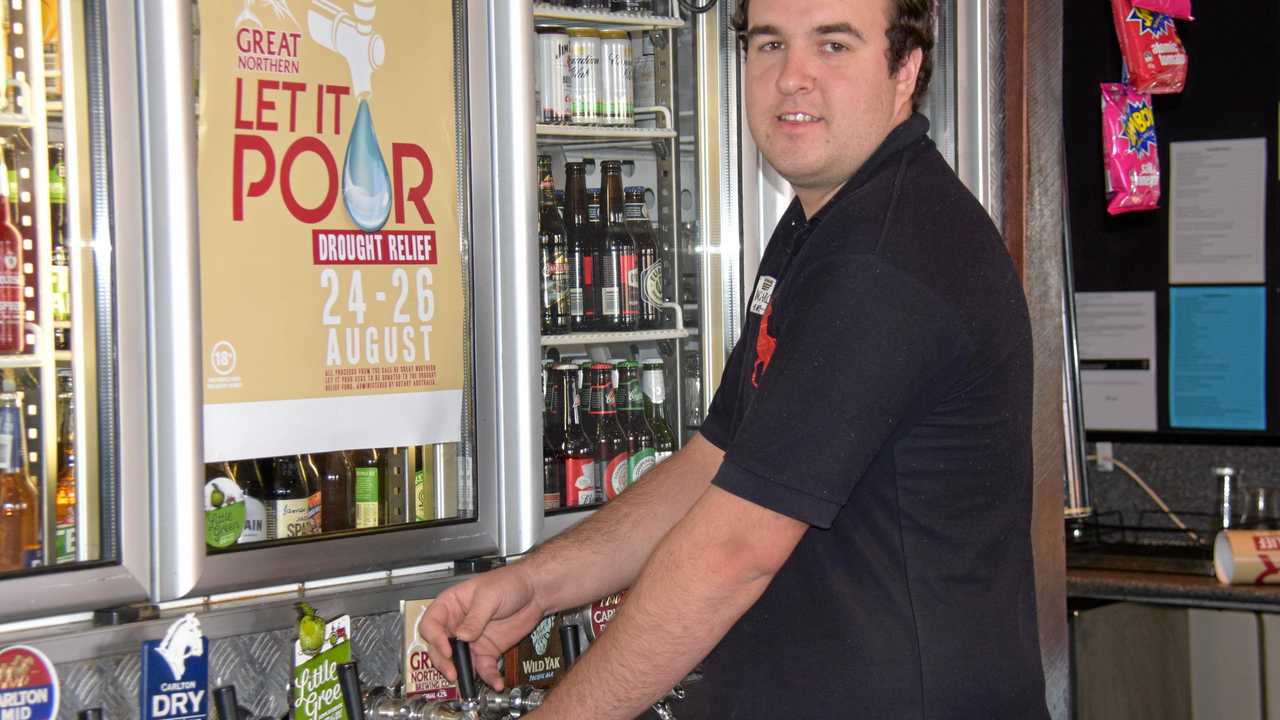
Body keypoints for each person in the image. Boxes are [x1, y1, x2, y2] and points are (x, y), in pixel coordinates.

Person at [419, 0, 1050, 716]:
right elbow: (714, 461)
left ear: (905, 69)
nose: (792, 78)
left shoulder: (885, 257)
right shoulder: (825, 223)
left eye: (834, 46)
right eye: (768, 45)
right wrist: (536, 584)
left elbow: (734, 551)